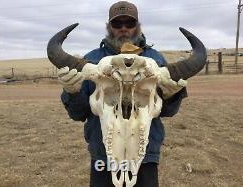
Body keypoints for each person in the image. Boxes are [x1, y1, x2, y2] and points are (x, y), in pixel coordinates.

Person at [57, 1, 187, 187]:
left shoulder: (156, 59)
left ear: (137, 25)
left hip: (145, 152)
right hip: (103, 155)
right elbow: (78, 113)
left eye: (129, 23)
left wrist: (171, 95)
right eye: (117, 24)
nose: (123, 29)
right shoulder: (91, 60)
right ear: (109, 27)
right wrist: (72, 92)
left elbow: (166, 111)